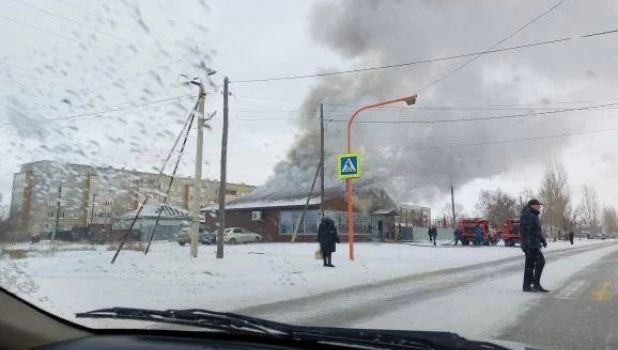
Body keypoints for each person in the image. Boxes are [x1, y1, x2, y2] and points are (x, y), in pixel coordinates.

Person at [520, 199, 549, 293]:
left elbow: (536, 231)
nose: (539, 207)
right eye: (538, 205)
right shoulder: (528, 215)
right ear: (532, 205)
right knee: (540, 261)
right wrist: (526, 246)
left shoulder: (533, 215)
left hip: (534, 243)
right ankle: (535, 284)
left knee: (530, 265)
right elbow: (525, 232)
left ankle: (527, 286)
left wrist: (542, 240)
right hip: (531, 245)